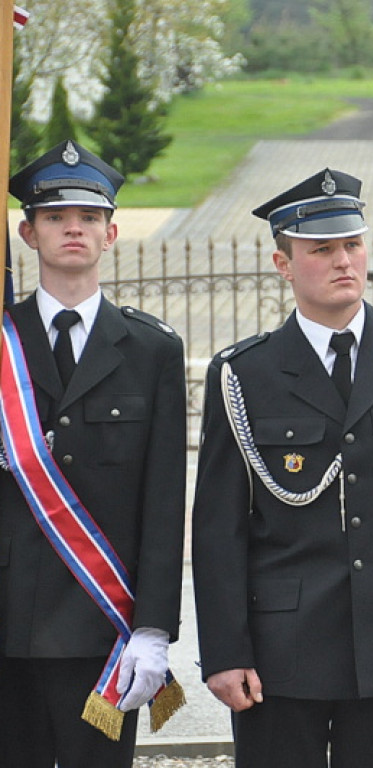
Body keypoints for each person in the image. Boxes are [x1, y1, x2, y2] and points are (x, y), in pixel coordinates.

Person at [191, 168, 373, 767]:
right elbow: (218, 527)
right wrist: (225, 651)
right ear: (283, 264)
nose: (343, 261)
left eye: (352, 244)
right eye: (321, 249)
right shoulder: (243, 373)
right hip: (282, 646)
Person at [0, 140, 187, 767]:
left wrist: (154, 627)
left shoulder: (152, 350)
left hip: (101, 623)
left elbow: (164, 502)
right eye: (55, 217)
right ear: (28, 232)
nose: (72, 229)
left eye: (88, 217)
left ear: (110, 234)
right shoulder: (4, 342)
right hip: (6, 619)